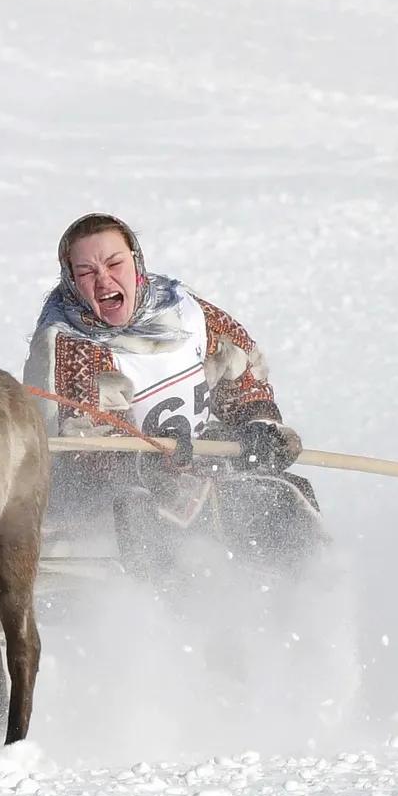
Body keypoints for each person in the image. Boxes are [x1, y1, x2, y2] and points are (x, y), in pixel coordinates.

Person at [23, 213, 322, 572]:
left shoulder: (183, 310)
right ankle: (167, 619)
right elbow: (92, 447)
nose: (104, 280)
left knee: (281, 497)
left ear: (136, 263)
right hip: (107, 503)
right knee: (155, 516)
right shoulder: (71, 346)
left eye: (114, 263)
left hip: (195, 469)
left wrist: (256, 427)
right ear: (72, 282)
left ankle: (314, 595)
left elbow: (241, 373)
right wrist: (149, 456)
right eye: (87, 272)